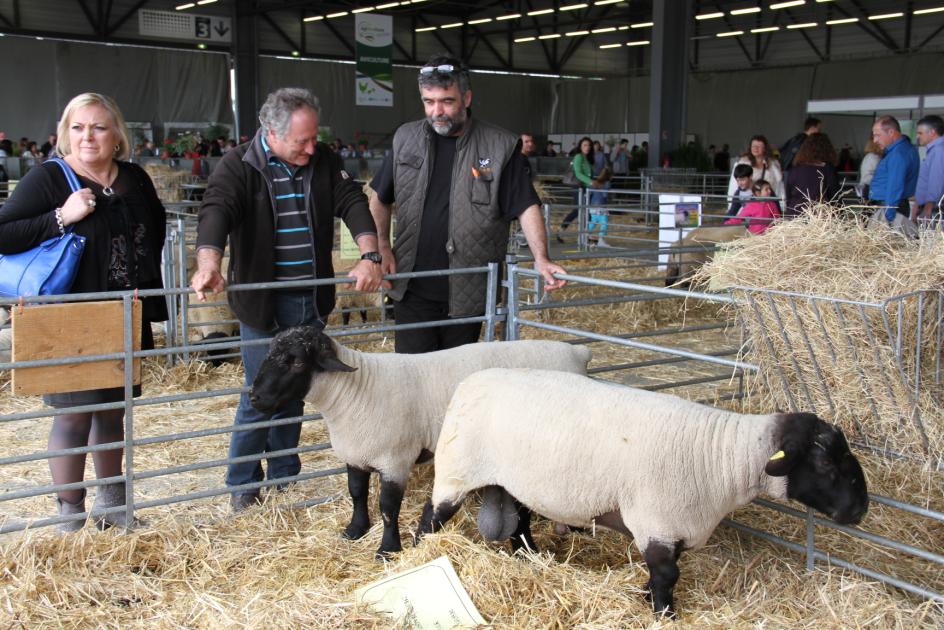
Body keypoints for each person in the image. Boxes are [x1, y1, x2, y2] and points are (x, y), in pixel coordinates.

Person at [190, 87, 385, 511]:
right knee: (260, 393)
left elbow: (352, 201)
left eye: (315, 138)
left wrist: (371, 253)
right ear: (272, 133)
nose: (313, 147)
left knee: (295, 392)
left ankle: (283, 478)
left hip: (309, 300)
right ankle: (243, 483)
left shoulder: (325, 161)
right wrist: (209, 262)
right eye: (303, 141)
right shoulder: (239, 164)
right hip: (263, 304)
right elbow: (216, 210)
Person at [0, 93, 168, 531]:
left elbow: (156, 228)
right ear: (64, 133)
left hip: (123, 313)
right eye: (78, 127)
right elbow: (4, 234)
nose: (88, 136)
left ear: (117, 136)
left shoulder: (134, 178)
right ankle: (70, 515)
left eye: (98, 127)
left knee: (113, 410)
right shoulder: (49, 178)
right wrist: (61, 216)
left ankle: (114, 510)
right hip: (69, 316)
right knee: (73, 413)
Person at [368, 54, 566, 354]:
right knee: (413, 375)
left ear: (467, 97)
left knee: (458, 380)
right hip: (412, 286)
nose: (437, 111)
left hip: (469, 287)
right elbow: (379, 197)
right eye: (429, 101)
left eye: (447, 101)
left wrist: (541, 257)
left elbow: (526, 205)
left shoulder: (500, 146)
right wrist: (380, 246)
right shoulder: (405, 138)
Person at [869, 115, 919, 221]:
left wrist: (888, 217)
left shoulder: (898, 154)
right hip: (895, 205)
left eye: (878, 135)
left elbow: (895, 186)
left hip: (890, 207)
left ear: (891, 132)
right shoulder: (904, 149)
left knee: (886, 237)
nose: (875, 140)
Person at [783, 132, 841, 217]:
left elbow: (788, 196)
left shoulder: (794, 169)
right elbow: (835, 196)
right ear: (827, 149)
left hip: (795, 215)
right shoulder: (827, 169)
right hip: (818, 217)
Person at [558, 136, 595, 241]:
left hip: (584, 187)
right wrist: (592, 182)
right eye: (585, 145)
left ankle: (562, 231)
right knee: (583, 209)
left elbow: (589, 174)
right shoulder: (579, 157)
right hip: (576, 186)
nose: (587, 147)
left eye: (589, 145)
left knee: (578, 210)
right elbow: (578, 174)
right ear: (580, 146)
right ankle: (585, 234)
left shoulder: (588, 158)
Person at [726, 135, 784, 200]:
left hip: (768, 202)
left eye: (759, 146)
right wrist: (731, 202)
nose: (755, 148)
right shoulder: (743, 163)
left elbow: (779, 186)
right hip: (748, 203)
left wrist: (781, 203)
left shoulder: (773, 165)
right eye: (753, 146)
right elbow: (734, 185)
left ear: (765, 148)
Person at [914, 115, 944, 221]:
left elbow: (937, 180)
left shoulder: (938, 151)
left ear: (932, 132)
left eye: (920, 133)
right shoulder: (934, 150)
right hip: (929, 207)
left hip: (932, 209)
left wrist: (929, 205)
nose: (917, 136)